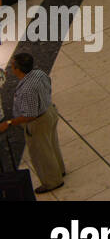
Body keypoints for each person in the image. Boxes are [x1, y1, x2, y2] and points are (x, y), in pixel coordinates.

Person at [0, 52, 64, 192]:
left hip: (39, 122)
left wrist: (9, 123)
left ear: (18, 69)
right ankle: (59, 170)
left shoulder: (27, 89)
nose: (11, 68)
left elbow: (30, 116)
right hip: (50, 111)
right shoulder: (39, 74)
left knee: (41, 154)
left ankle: (52, 181)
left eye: (12, 66)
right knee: (52, 144)